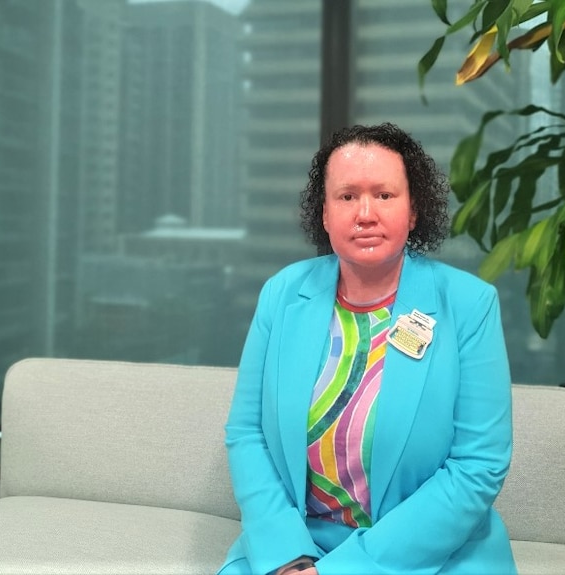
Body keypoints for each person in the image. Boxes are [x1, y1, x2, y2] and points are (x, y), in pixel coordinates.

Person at [219, 123, 517, 575]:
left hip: (428, 551)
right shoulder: (282, 294)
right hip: (298, 543)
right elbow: (247, 435)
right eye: (346, 196)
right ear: (323, 213)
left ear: (413, 211)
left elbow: (478, 464)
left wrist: (343, 570)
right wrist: (289, 559)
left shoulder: (468, 305)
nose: (365, 213)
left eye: (384, 195)